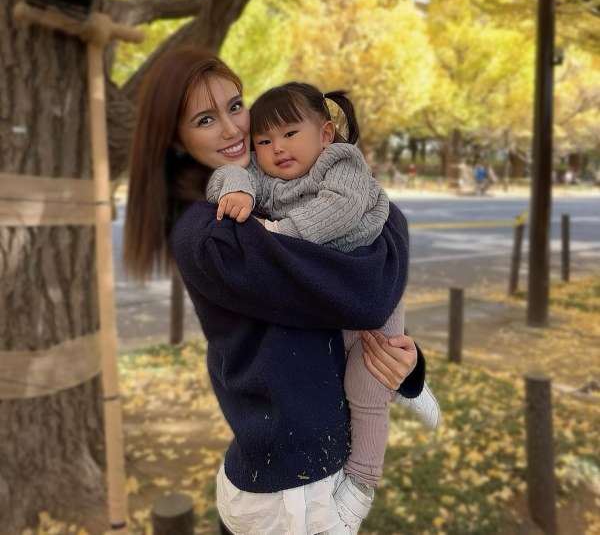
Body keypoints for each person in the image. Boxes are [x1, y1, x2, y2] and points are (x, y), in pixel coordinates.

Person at [124, 48, 427, 535]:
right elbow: (369, 289)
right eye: (205, 119)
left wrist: (404, 364)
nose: (233, 129)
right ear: (176, 139)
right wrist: (380, 212)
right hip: (290, 488)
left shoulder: (263, 189)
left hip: (308, 471)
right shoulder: (212, 233)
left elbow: (347, 290)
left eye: (235, 106)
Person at [205, 82, 440, 529]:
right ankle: (404, 385)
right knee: (361, 371)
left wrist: (281, 236)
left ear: (326, 134)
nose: (278, 148)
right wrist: (239, 190)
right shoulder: (267, 180)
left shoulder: (341, 163)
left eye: (291, 134)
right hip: (331, 299)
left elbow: (341, 209)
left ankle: (363, 481)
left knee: (369, 378)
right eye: (264, 141)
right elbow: (228, 174)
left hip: (367, 284)